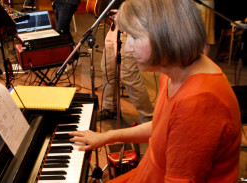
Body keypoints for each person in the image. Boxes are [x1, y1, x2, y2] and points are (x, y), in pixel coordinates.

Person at [69, 0, 242, 182]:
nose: (127, 47)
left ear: (166, 37)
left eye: (134, 37)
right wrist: (105, 137)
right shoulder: (171, 70)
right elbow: (161, 126)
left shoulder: (199, 102)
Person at [98, 25, 154, 123]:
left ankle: (149, 118)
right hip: (114, 30)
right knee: (108, 70)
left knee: (129, 76)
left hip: (131, 31)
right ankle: (110, 108)